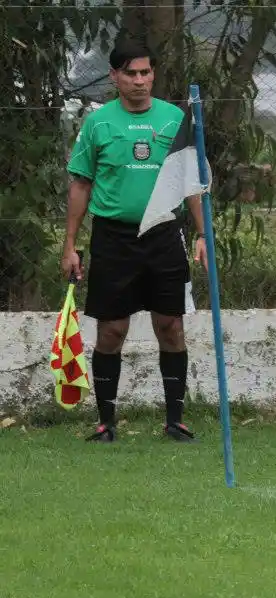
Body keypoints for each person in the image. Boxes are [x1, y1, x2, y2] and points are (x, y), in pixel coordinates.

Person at [61, 39, 208, 443]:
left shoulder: (174, 118)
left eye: (145, 73)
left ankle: (174, 420)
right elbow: (80, 184)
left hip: (164, 233)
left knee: (171, 326)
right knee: (111, 331)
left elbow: (191, 182)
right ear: (114, 77)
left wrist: (201, 234)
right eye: (130, 73)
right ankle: (106, 422)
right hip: (113, 238)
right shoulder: (98, 123)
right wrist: (70, 244)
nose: (139, 81)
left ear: (153, 75)